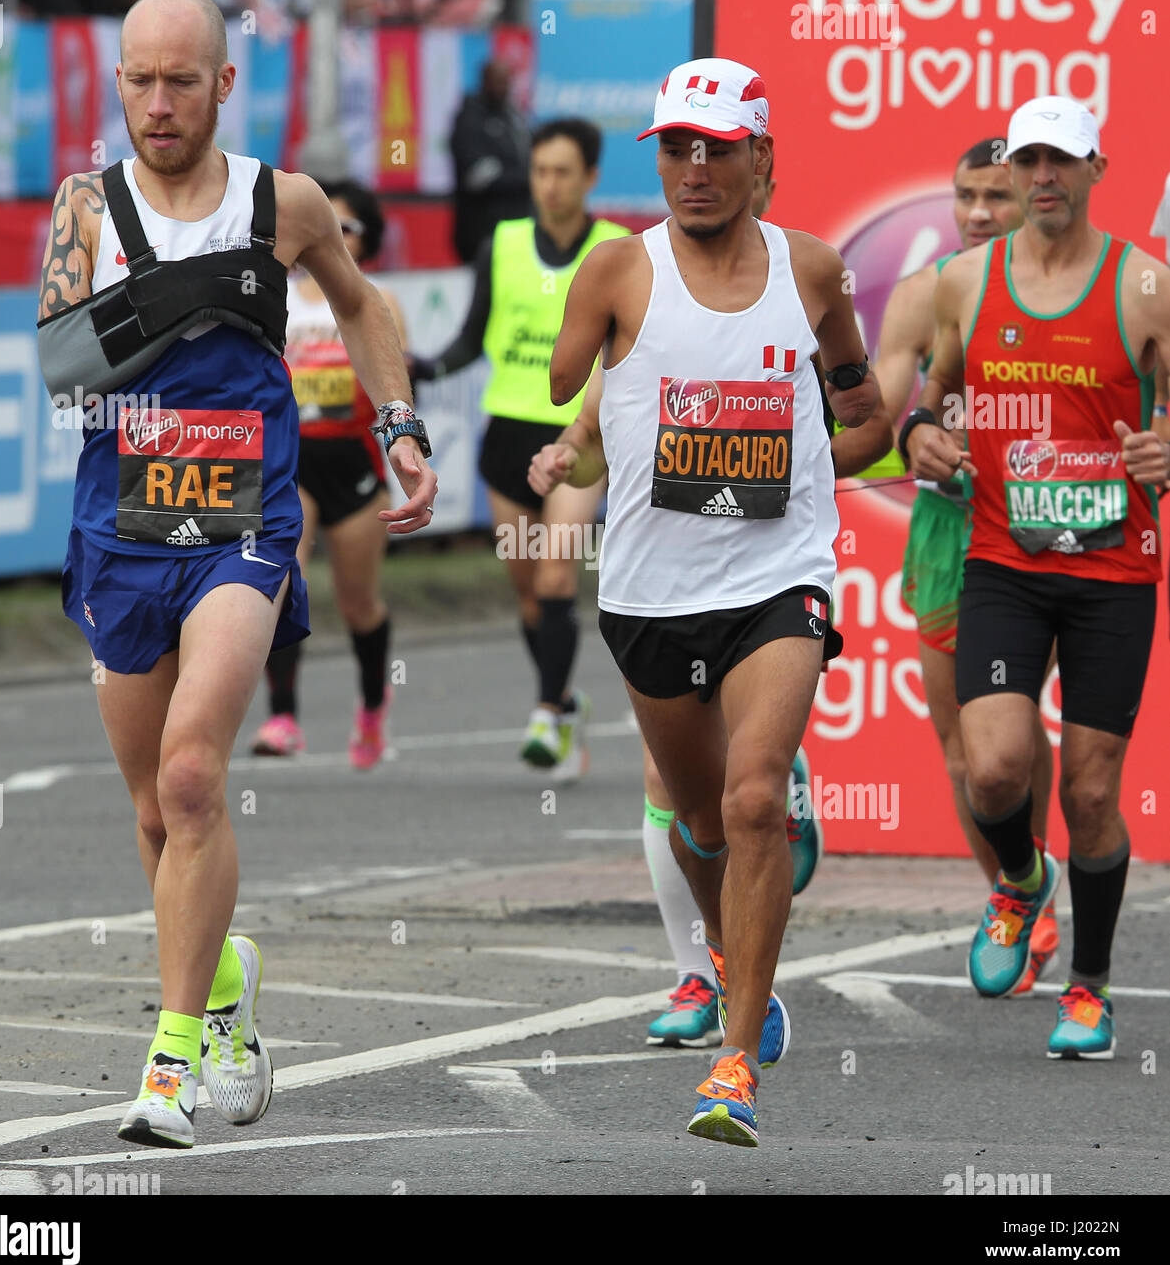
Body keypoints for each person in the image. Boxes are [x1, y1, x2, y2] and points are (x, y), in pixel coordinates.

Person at [40, 0, 435, 1148]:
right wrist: (203, 291)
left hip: (244, 524)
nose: (157, 104)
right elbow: (64, 366)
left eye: (181, 81)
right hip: (122, 526)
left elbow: (364, 309)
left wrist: (396, 421)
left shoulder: (285, 203)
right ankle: (221, 987)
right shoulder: (86, 208)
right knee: (154, 813)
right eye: (138, 81)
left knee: (194, 777)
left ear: (222, 84)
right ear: (118, 85)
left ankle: (167, 1064)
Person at [548, 58, 880, 1145]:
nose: (693, 170)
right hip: (650, 591)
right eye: (675, 149)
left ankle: (731, 1062)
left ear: (758, 159)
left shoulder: (815, 270)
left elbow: (856, 402)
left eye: (715, 148)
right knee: (695, 820)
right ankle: (741, 966)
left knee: (750, 802)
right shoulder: (613, 270)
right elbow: (571, 387)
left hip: (777, 577)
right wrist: (574, 444)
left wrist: (869, 438)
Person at [903, 95, 1170, 1058]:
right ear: (1010, 177)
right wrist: (922, 435)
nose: (1044, 177)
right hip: (1003, 564)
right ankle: (1019, 881)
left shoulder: (1144, 286)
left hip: (1111, 574)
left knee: (1093, 794)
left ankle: (1089, 988)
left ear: (1096, 169)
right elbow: (927, 402)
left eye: (1062, 160)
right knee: (994, 767)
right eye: (1029, 162)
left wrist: (1165, 452)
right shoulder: (964, 286)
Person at [875, 136, 1059, 996]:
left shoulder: (1077, 287)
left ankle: (1036, 876)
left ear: (1031, 195)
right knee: (964, 753)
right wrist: (911, 434)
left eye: (997, 195)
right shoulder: (924, 294)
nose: (979, 212)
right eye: (965, 196)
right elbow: (876, 416)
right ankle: (1011, 892)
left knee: (1015, 731)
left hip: (1049, 527)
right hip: (952, 534)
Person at [420, 117, 628, 776]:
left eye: (563, 172)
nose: (550, 186)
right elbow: (470, 337)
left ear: (590, 177)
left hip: (581, 439)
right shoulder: (502, 245)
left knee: (557, 571)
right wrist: (422, 368)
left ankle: (543, 712)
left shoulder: (619, 250)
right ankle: (565, 703)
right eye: (540, 171)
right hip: (505, 435)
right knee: (531, 596)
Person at [251, 179, 407, 767]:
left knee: (358, 602)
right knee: (281, 577)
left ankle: (371, 707)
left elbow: (395, 380)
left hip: (356, 469)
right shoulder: (279, 296)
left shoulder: (377, 302)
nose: (335, 237)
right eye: (328, 226)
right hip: (293, 461)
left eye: (349, 229)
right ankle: (283, 716)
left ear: (365, 242)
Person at [449, 60, 532, 265]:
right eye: (498, 82)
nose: (504, 88)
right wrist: (525, 177)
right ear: (484, 82)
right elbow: (478, 177)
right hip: (480, 232)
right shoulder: (470, 119)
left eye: (507, 82)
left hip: (517, 228)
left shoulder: (513, 117)